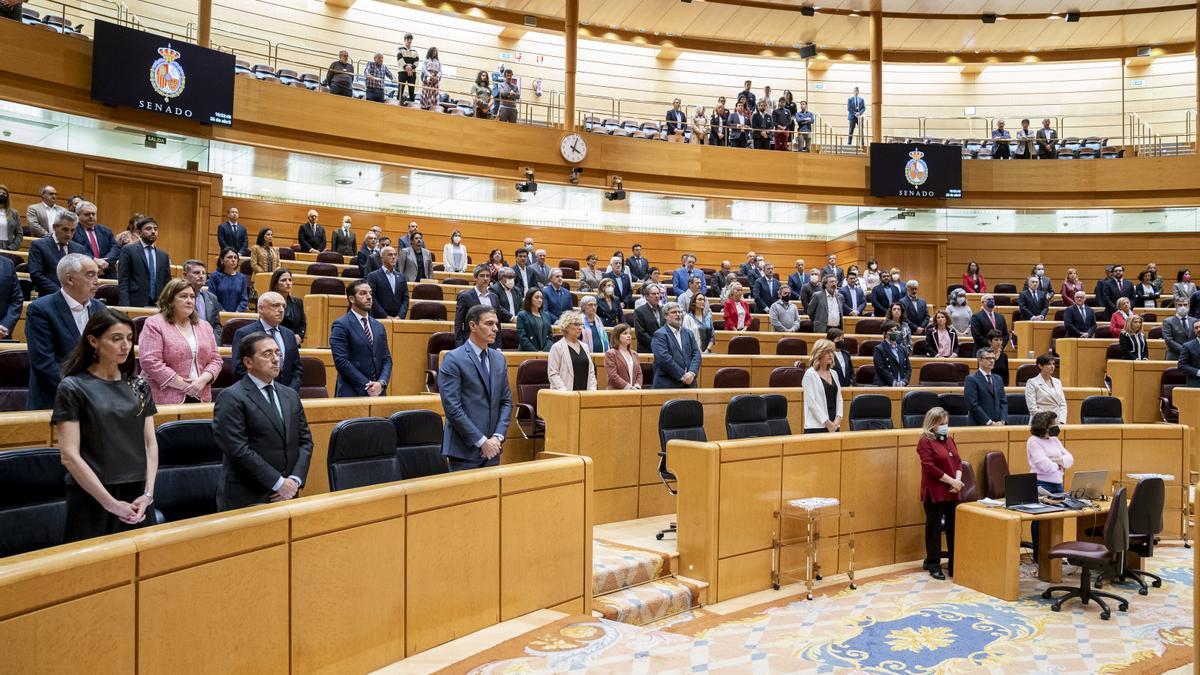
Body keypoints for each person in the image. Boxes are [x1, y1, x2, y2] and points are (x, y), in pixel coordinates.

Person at [53, 309, 158, 541]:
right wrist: (111, 504)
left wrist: (148, 494)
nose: (126, 346)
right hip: (93, 495)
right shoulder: (73, 387)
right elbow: (69, 455)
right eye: (116, 338)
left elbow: (150, 443)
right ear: (93, 341)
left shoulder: (139, 384)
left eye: (130, 338)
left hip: (138, 495)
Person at [213, 330, 313, 510]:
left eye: (277, 353)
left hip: (289, 494)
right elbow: (238, 449)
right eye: (267, 354)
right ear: (248, 362)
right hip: (247, 496)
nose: (275, 359)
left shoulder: (290, 394)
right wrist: (278, 483)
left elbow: (305, 441)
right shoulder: (231, 397)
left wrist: (294, 480)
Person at [438, 305, 512, 470]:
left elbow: (506, 401)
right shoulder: (453, 359)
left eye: (496, 324)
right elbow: (453, 408)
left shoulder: (499, 359)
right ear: (473, 326)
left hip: (493, 450)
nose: (495, 329)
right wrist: (482, 441)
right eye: (489, 323)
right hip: (464, 451)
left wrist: (497, 438)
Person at [27, 255, 104, 410]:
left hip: (96, 401)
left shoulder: (100, 309)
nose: (98, 281)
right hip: (55, 399)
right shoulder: (41, 309)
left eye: (97, 274)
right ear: (69, 280)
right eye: (90, 275)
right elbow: (44, 364)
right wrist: (81, 393)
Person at [137, 279, 223, 405]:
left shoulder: (204, 326)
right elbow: (150, 362)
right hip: (163, 397)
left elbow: (216, 359)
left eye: (192, 297)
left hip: (200, 395)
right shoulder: (154, 324)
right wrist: (184, 385)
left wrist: (202, 380)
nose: (189, 301)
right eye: (183, 296)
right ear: (170, 300)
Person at [915, 407, 962, 580]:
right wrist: (951, 481)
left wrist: (957, 480)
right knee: (934, 529)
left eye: (946, 423)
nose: (945, 426)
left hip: (952, 490)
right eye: (941, 424)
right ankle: (933, 564)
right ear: (932, 424)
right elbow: (929, 467)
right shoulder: (925, 441)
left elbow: (958, 461)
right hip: (935, 490)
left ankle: (953, 564)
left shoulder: (949, 439)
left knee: (953, 528)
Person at [330, 280, 392, 397]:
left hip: (378, 392)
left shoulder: (379, 326)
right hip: (352, 392)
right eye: (363, 293)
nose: (369, 297)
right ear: (351, 299)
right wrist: (367, 385)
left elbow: (386, 359)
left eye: (370, 293)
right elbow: (341, 362)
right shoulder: (341, 325)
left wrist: (381, 383)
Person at [230, 291, 302, 391]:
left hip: (287, 396)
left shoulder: (289, 334)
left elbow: (296, 368)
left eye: (283, 306)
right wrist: (263, 390)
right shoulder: (244, 333)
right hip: (256, 396)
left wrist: (290, 392)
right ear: (261, 308)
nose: (281, 310)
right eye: (275, 305)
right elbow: (239, 369)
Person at [1026, 411, 1073, 549]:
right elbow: (1043, 465)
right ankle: (1038, 554)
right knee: (1040, 521)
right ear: (1044, 425)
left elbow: (1070, 459)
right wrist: (1060, 464)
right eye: (1053, 423)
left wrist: (1056, 461)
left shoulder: (1055, 440)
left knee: (1056, 520)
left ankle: (1054, 552)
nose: (1056, 426)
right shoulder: (1033, 441)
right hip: (1041, 484)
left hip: (1058, 484)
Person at [29, 211, 87, 296]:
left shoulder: (79, 249)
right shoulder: (39, 245)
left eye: (72, 230)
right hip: (49, 296)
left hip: (75, 296)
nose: (68, 234)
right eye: (65, 229)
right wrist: (61, 293)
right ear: (54, 227)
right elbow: (36, 275)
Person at [652, 302, 701, 389]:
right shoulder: (659, 334)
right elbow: (664, 359)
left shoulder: (688, 333)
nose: (678, 314)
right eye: (674, 312)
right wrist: (683, 376)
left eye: (679, 312)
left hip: (690, 384)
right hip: (668, 384)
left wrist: (692, 373)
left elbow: (696, 354)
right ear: (666, 316)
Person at [547, 311, 597, 391]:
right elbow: (553, 374)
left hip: (585, 394)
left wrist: (592, 390)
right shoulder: (557, 347)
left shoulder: (585, 346)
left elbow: (591, 372)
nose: (580, 328)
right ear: (566, 327)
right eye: (576, 324)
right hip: (565, 396)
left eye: (581, 325)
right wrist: (564, 391)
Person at [802, 339, 843, 434]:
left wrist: (838, 419)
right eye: (827, 352)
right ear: (819, 353)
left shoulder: (834, 373)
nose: (831, 355)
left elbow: (839, 398)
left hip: (834, 424)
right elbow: (811, 403)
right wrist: (827, 423)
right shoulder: (810, 374)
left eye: (832, 352)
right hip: (816, 426)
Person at [72, 201, 118, 278]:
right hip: (84, 274)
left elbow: (115, 248)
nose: (91, 216)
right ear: (78, 215)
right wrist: (94, 260)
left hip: (107, 272)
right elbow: (75, 251)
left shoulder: (105, 230)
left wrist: (105, 263)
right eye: (87, 214)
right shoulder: (73, 231)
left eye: (93, 214)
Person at [454, 267, 497, 346]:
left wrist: (497, 346)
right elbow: (458, 323)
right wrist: (459, 345)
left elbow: (498, 324)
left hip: (490, 343)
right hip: (471, 342)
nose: (485, 278)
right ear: (475, 278)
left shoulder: (494, 297)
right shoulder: (465, 296)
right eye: (482, 276)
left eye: (488, 276)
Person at [965, 348, 1008, 426]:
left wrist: (1002, 420)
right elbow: (972, 404)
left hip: (999, 425)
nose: (992, 361)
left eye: (993, 358)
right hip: (979, 425)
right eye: (988, 358)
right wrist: (989, 422)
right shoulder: (971, 379)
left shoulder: (998, 378)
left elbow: (1003, 401)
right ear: (979, 360)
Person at [1025, 353, 1067, 423]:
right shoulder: (1032, 382)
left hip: (1058, 422)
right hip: (1040, 423)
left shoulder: (1057, 382)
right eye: (1049, 364)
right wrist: (1050, 420)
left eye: (1053, 364)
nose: (1052, 366)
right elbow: (1033, 409)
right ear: (1040, 366)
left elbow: (1063, 404)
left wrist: (1061, 421)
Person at [207, 247, 249, 313]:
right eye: (229, 257)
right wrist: (223, 312)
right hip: (218, 314)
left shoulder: (242, 277)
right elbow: (212, 298)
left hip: (237, 316)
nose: (233, 260)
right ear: (222, 260)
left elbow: (244, 299)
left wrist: (237, 312)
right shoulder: (215, 276)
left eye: (235, 257)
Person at [872, 320, 911, 387]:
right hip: (884, 385)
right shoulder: (879, 349)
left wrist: (905, 381)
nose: (894, 332)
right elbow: (881, 368)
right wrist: (893, 381)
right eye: (891, 330)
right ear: (884, 333)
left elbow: (908, 368)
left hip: (901, 385)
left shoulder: (902, 349)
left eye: (895, 330)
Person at [605, 324, 643, 390]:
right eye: (625, 333)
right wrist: (628, 387)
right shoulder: (611, 354)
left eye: (630, 333)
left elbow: (639, 373)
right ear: (617, 336)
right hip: (616, 393)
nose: (629, 336)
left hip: (634, 393)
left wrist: (637, 386)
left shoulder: (635, 354)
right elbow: (613, 375)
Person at [396, 34, 419, 103]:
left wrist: (410, 68)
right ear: (404, 40)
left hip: (412, 72)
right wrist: (407, 67)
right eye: (407, 39)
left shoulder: (415, 51)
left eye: (410, 39)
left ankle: (411, 105)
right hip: (402, 72)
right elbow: (400, 59)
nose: (409, 41)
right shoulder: (400, 49)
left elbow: (416, 62)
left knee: (412, 90)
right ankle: (397, 103)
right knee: (401, 89)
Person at [1178, 320, 1200, 386]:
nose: (1199, 329)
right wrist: (1198, 372)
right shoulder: (1187, 346)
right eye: (1196, 328)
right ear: (1193, 330)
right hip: (1196, 382)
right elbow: (1182, 365)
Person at [0, 184, 22, 250]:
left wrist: (12, 247)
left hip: (7, 246)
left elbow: (19, 234)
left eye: (4, 194)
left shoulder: (14, 213)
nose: (1, 195)